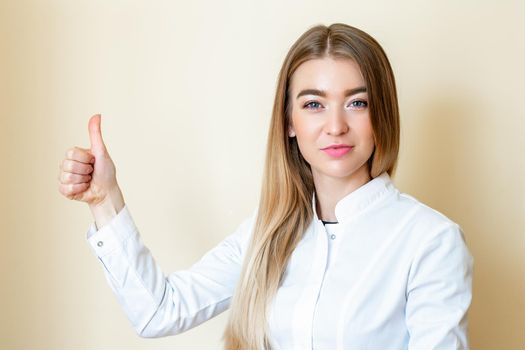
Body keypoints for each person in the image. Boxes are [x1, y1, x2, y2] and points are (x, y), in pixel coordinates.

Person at [58, 23, 473, 350]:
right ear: (290, 123)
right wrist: (104, 201)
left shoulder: (430, 242)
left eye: (357, 102)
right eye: (314, 104)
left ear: (381, 114)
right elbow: (160, 312)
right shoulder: (268, 231)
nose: (335, 126)